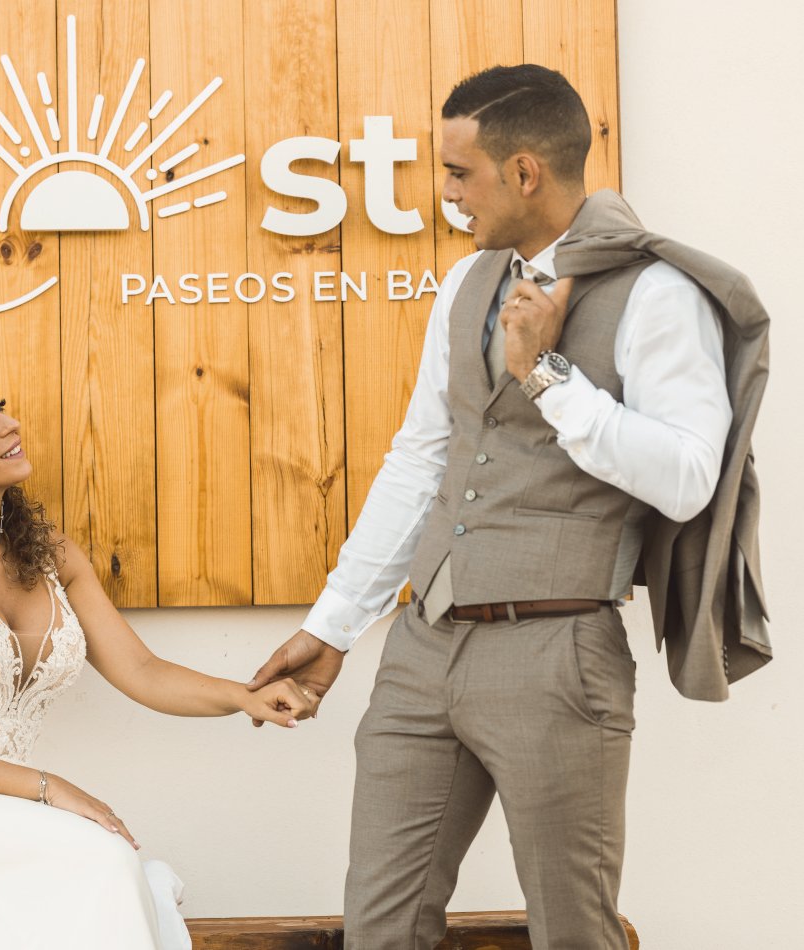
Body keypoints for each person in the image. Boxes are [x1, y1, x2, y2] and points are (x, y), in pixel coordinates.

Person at [249, 64, 769, 949]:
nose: (445, 194)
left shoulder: (657, 292)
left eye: (458, 173)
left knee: (571, 930)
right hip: (424, 647)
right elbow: (421, 463)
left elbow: (689, 474)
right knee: (379, 926)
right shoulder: (464, 287)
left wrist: (546, 373)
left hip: (557, 653)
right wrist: (334, 626)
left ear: (523, 170)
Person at [0, 358, 315, 950]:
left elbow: (141, 670)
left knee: (105, 866)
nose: (10, 425)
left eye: (0, 406)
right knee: (103, 862)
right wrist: (50, 789)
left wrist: (245, 697)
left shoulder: (50, 554)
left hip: (1, 814)